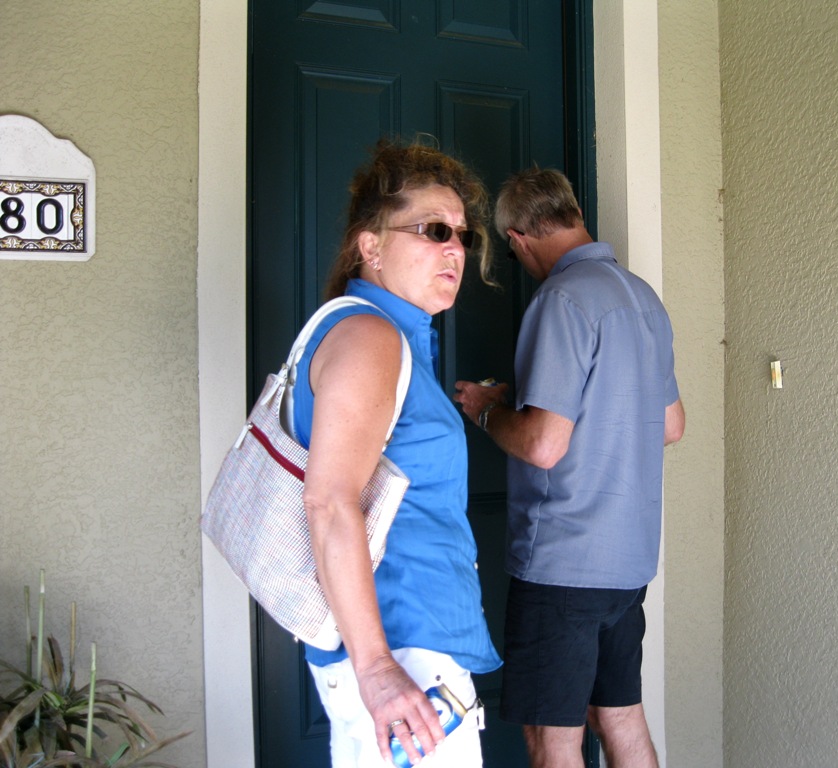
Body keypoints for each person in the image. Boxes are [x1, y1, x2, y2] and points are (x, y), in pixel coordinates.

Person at [453, 168, 685, 768]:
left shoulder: (561, 299)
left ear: (518, 239)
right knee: (620, 718)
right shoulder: (642, 298)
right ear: (573, 215)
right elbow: (671, 425)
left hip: (563, 564)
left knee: (551, 737)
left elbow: (543, 445)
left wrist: (487, 411)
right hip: (628, 563)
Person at [294, 139, 501, 767]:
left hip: (413, 653)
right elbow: (330, 502)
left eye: (464, 235)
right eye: (434, 230)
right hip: (406, 663)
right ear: (372, 246)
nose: (455, 248)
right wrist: (379, 670)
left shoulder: (396, 338)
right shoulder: (369, 336)